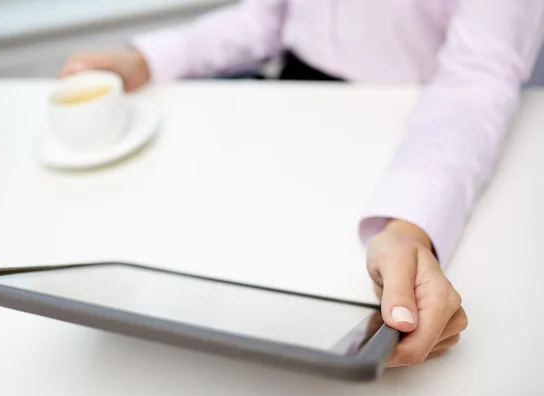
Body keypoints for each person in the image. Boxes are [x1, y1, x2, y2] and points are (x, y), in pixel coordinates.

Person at [59, 0, 544, 367]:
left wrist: (410, 225)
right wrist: (147, 58)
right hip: (287, 113)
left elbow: (476, 77)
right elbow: (265, 19)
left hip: (411, 127)